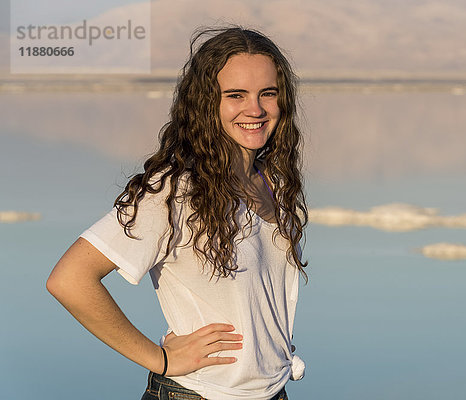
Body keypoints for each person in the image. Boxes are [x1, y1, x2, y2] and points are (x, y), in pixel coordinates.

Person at [46, 27, 308, 400]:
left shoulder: (275, 184)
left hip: (273, 391)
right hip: (196, 394)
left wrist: (267, 348)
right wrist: (159, 359)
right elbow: (69, 279)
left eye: (268, 93)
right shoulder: (175, 191)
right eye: (236, 95)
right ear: (206, 103)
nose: (256, 109)